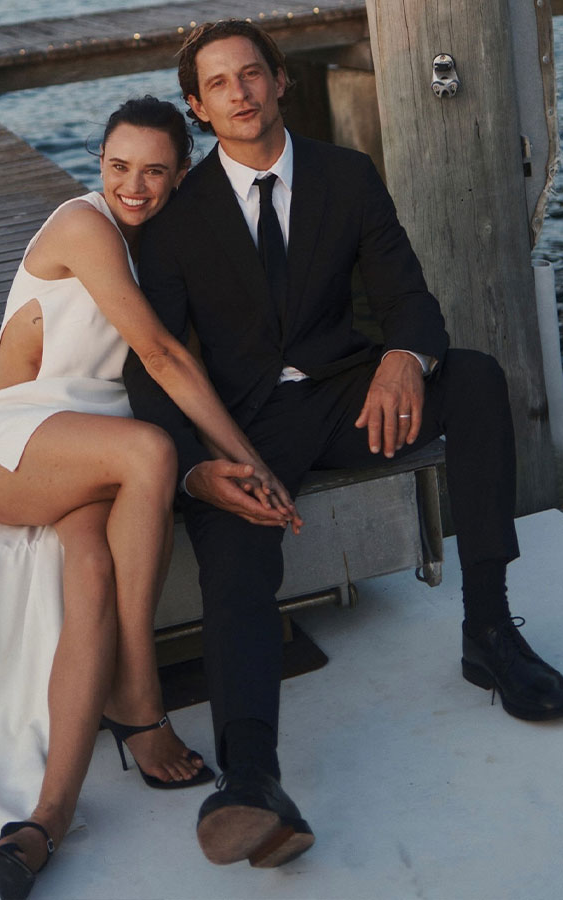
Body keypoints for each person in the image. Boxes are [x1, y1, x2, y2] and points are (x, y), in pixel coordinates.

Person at [123, 20, 563, 869]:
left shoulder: (346, 176)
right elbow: (158, 370)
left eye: (253, 74)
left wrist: (405, 356)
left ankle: (489, 634)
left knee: (471, 378)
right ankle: (251, 774)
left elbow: (408, 297)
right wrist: (197, 467)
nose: (241, 92)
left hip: (346, 398)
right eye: (219, 84)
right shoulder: (173, 227)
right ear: (198, 107)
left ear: (282, 81)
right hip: (242, 427)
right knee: (237, 552)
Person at [0, 96, 298, 900]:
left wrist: (217, 464)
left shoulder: (163, 247)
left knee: (89, 569)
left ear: (180, 174)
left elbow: (198, 358)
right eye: (120, 166)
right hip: (13, 441)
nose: (135, 184)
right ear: (100, 163)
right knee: (150, 449)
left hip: (94, 452)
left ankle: (45, 817)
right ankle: (138, 697)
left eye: (156, 170)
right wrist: (250, 459)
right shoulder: (83, 225)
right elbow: (160, 356)